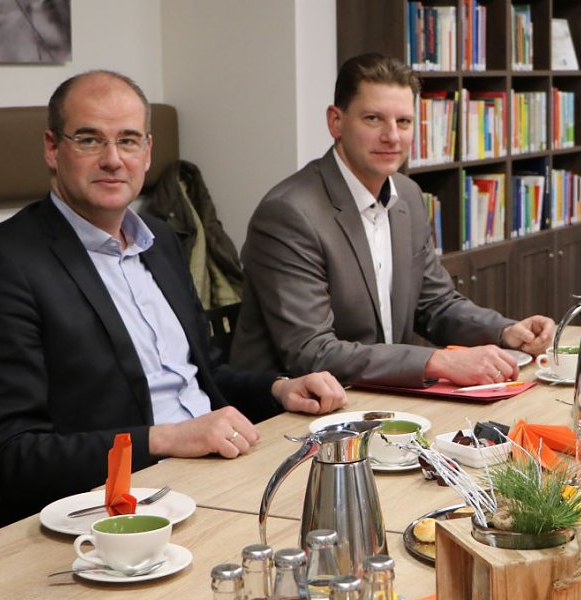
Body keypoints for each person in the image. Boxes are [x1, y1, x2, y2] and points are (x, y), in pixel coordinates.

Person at [0, 70, 347, 535]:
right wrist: (165, 439)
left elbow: (202, 375)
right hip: (120, 514)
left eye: (128, 141)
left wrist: (279, 389)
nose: (113, 159)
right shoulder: (2, 262)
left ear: (148, 152)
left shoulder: (161, 241)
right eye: (89, 140)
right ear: (53, 148)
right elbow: (5, 458)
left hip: (220, 476)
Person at [231, 53, 555, 388]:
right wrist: (437, 361)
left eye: (404, 122)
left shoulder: (408, 195)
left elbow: (435, 303)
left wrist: (504, 331)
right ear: (336, 122)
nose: (392, 137)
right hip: (296, 408)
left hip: (380, 396)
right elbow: (313, 352)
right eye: (373, 119)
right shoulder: (289, 214)